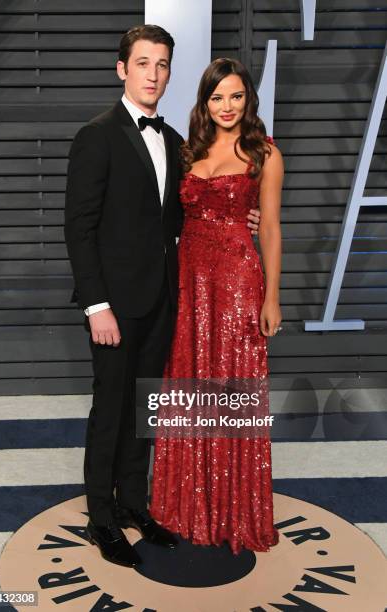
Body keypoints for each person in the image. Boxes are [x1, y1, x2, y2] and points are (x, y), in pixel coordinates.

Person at [65, 25, 262, 567]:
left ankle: (134, 504)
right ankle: (101, 519)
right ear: (122, 68)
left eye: (164, 65)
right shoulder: (96, 135)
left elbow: (193, 211)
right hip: (113, 306)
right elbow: (79, 228)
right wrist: (95, 304)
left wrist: (244, 215)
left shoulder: (177, 141)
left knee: (145, 409)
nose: (154, 74)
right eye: (144, 63)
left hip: (164, 300)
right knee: (110, 409)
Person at [150, 57, 284, 555]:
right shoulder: (189, 152)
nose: (227, 106)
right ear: (204, 102)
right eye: (216, 97)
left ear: (248, 99)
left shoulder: (264, 153)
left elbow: (268, 227)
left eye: (236, 96)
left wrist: (272, 295)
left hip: (236, 287)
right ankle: (186, 507)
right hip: (188, 287)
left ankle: (233, 510)